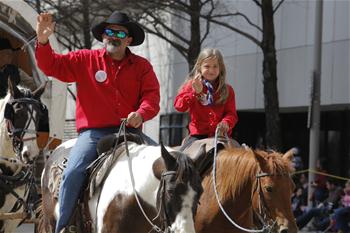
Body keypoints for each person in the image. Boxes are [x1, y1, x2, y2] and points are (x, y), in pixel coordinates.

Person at [35, 11, 160, 233]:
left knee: (165, 167)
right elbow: (52, 66)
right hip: (93, 134)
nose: (113, 36)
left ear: (129, 39)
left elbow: (151, 98)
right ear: (103, 37)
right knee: (73, 172)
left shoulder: (142, 66)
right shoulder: (85, 59)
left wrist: (141, 113)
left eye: (119, 33)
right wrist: (43, 41)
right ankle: (63, 226)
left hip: (131, 132)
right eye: (109, 32)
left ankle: (166, 224)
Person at [174, 48, 238, 149]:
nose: (211, 70)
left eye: (215, 66)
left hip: (220, 136)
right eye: (207, 66)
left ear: (221, 68)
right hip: (197, 135)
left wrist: (226, 122)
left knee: (238, 160)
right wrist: (195, 92)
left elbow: (231, 114)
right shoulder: (191, 85)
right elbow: (179, 106)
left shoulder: (228, 90)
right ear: (199, 67)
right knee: (181, 160)